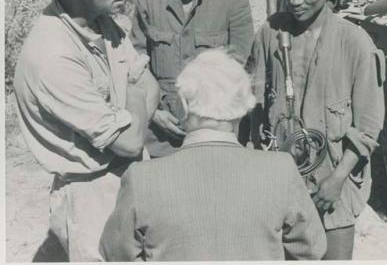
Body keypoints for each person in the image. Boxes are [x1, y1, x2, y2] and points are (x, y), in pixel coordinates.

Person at [13, 0, 160, 261]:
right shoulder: (53, 54)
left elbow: (149, 81)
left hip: (128, 177)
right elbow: (128, 139)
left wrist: (133, 107)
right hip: (90, 193)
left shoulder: (103, 21)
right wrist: (135, 99)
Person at [99, 49, 326, 261]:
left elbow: (114, 254)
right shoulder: (281, 170)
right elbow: (312, 249)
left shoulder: (142, 179)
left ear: (185, 105)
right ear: (245, 107)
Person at [249, 0, 385, 259]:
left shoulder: (355, 43)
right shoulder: (270, 33)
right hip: (278, 182)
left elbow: (368, 128)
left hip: (332, 189)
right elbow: (254, 105)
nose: (294, 1)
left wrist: (337, 180)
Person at [131, 0, 254, 158]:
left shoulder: (233, 0)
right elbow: (136, 64)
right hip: (162, 135)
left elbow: (238, 71)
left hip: (216, 132)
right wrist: (153, 111)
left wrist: (208, 121)